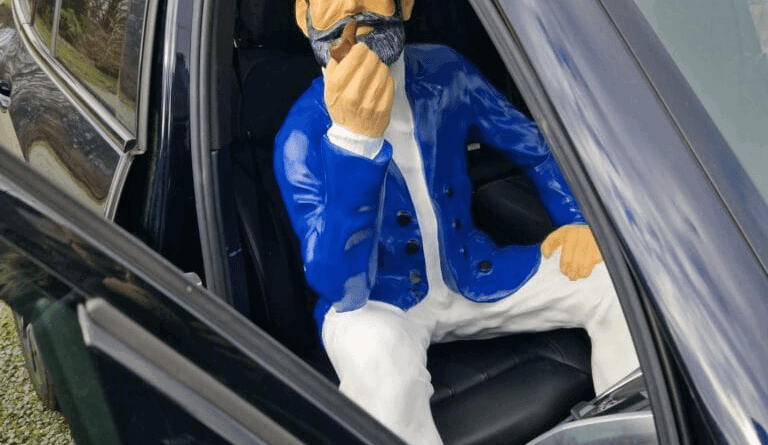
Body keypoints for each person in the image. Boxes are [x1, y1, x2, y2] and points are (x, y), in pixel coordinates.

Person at [274, 0, 640, 443]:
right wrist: (353, 142)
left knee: (615, 282)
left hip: (473, 272)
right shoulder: (301, 135)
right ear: (304, 17)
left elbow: (534, 146)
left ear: (406, 4)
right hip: (379, 302)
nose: (352, 6)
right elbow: (340, 286)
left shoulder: (447, 71)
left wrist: (579, 220)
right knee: (378, 362)